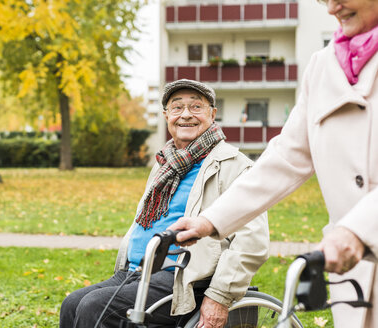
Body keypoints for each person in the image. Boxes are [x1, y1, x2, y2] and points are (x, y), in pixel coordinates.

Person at [169, 0, 378, 327]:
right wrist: (211, 220)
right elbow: (287, 156)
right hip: (354, 274)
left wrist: (359, 228)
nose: (332, 8)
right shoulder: (323, 66)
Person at [59, 79, 269, 328]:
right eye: (177, 107)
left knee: (94, 307)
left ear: (212, 114)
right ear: (166, 115)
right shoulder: (165, 163)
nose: (186, 115)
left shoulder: (234, 165)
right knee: (72, 303)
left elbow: (252, 242)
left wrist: (220, 297)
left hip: (183, 279)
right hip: (136, 272)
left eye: (196, 107)